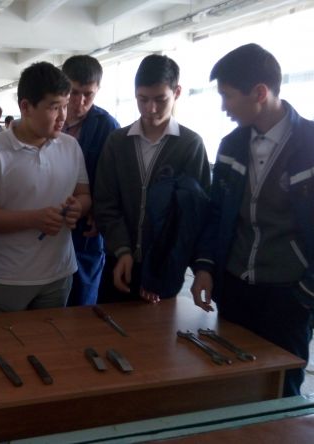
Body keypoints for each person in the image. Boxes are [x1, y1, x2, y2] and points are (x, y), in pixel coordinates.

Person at [191, 43, 314, 397]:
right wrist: (205, 268)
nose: (223, 106)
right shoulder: (231, 146)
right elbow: (216, 214)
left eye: (227, 96)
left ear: (259, 93)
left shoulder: (309, 144)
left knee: (282, 390)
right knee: (232, 383)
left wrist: (305, 294)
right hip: (236, 290)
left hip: (288, 296)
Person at [94, 54, 210, 304]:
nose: (150, 109)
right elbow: (105, 202)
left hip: (164, 269)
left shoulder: (190, 145)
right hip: (117, 262)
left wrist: (163, 268)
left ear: (177, 92)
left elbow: (193, 215)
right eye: (142, 99)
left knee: (155, 328)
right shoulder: (117, 142)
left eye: (160, 99)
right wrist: (123, 250)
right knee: (108, 322)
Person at [0, 61, 91, 313]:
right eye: (54, 107)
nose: (63, 116)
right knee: (2, 338)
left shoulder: (70, 146)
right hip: (9, 277)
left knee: (51, 337)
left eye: (65, 106)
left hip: (59, 273)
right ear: (26, 107)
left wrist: (78, 208)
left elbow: (83, 195)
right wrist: (35, 219)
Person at [62, 54, 120, 306]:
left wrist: (99, 212)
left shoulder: (107, 127)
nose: (80, 102)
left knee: (82, 294)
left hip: (87, 226)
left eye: (88, 94)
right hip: (49, 218)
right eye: (74, 92)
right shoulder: (48, 119)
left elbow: (115, 179)